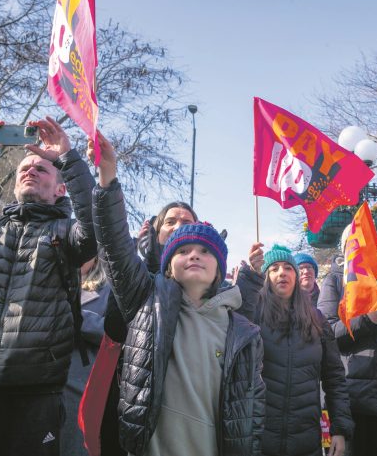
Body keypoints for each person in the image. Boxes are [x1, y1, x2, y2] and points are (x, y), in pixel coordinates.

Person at [89, 134, 265, 456]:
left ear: (220, 268)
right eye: (183, 250)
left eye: (205, 251)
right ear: (169, 266)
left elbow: (250, 413)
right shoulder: (148, 300)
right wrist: (107, 177)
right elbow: (114, 245)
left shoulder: (243, 332)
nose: (194, 255)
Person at [0, 117, 97, 456]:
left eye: (42, 169)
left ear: (61, 188)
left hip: (32, 397)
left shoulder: (68, 233)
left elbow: (96, 229)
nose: (29, 171)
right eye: (23, 169)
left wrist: (70, 160)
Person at [240, 243, 353, 456]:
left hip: (306, 441)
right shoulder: (253, 316)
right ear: (265, 277)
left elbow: (335, 379)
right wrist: (249, 276)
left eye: (287, 267)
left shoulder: (317, 319)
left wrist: (340, 429)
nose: (281, 272)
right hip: (259, 440)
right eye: (273, 268)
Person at [317, 226, 377, 456]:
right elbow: (326, 333)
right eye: (355, 242)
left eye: (368, 241)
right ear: (346, 246)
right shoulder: (336, 281)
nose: (363, 246)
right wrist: (370, 318)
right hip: (353, 396)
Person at [61, 256, 114, 456]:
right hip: (39, 381)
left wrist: (74, 318)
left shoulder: (108, 289)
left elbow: (115, 332)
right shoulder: (46, 283)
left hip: (80, 385)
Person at [137, 201, 198, 272]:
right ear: (157, 233)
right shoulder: (137, 273)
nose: (177, 228)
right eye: (170, 222)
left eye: (186, 224)